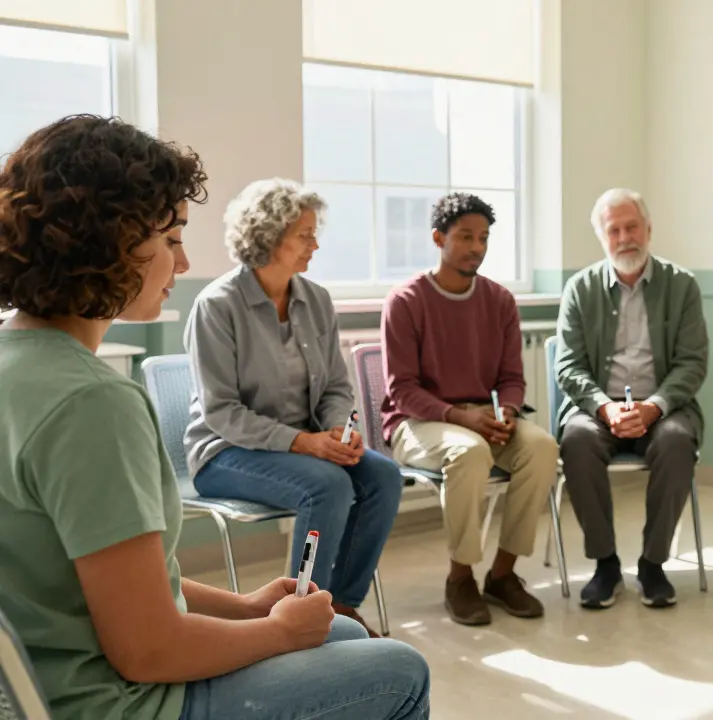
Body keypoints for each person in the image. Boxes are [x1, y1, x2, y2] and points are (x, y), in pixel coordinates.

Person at [0, 115, 428, 720]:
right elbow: (148, 651)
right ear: (110, 240)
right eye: (171, 238)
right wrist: (279, 634)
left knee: (346, 635)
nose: (183, 261)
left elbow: (131, 582)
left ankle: (338, 608)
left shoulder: (15, 361)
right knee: (402, 671)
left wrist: (253, 609)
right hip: (113, 701)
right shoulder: (93, 403)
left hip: (52, 672)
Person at [185, 178, 404, 638]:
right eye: (305, 234)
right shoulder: (217, 306)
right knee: (326, 486)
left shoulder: (316, 300)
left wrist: (338, 431)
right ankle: (298, 617)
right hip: (226, 451)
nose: (315, 244)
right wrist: (304, 443)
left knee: (382, 475)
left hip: (305, 447)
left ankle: (339, 606)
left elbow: (336, 387)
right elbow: (221, 411)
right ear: (268, 235)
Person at [381, 192, 558, 627]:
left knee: (542, 448)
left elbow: (511, 378)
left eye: (483, 238)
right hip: (419, 423)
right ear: (438, 238)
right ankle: (460, 578)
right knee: (469, 452)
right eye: (464, 237)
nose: (476, 247)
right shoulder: (405, 301)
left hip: (486, 417)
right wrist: (462, 418)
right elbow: (402, 390)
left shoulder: (500, 301)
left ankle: (502, 574)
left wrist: (509, 411)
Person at [555, 188, 709, 610]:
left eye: (632, 226)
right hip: (596, 408)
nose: (625, 237)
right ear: (602, 237)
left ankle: (652, 563)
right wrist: (605, 407)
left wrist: (653, 406)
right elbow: (568, 366)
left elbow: (692, 363)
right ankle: (605, 564)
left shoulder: (682, 286)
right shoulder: (579, 289)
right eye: (614, 229)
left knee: (676, 441)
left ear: (649, 229)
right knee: (578, 441)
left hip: (663, 408)